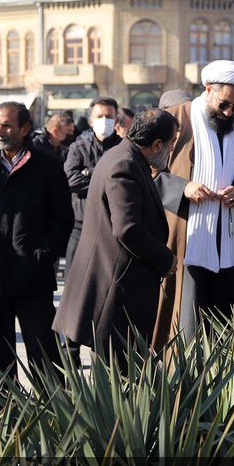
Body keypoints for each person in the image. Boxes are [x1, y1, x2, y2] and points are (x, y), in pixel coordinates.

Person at [0, 102, 74, 381]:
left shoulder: (46, 166)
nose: (0, 130)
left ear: (24, 129)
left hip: (32, 279)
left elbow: (62, 219)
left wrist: (42, 254)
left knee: (44, 356)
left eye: (7, 125)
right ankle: (4, 416)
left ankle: (54, 417)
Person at [154, 60, 234, 347]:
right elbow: (144, 172)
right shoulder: (173, 121)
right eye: (224, 104)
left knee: (225, 330)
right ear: (208, 89)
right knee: (186, 327)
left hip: (230, 246)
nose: (229, 112)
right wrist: (184, 187)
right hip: (186, 242)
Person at [53, 109, 178, 361]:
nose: (171, 150)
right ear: (156, 144)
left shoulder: (123, 156)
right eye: (171, 144)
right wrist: (166, 260)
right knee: (119, 380)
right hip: (117, 292)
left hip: (119, 289)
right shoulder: (125, 164)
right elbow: (127, 228)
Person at [64, 97, 122, 269]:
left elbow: (126, 181)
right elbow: (70, 178)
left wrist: (90, 174)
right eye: (99, 116)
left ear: (116, 120)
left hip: (113, 224)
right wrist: (105, 183)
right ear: (90, 120)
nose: (104, 121)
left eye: (108, 116)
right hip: (81, 224)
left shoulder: (123, 148)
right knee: (74, 279)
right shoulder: (78, 147)